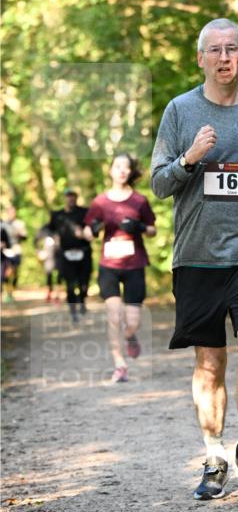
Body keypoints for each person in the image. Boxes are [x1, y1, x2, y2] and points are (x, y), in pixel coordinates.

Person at [150, 18, 238, 501]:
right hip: (196, 258)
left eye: (233, 49)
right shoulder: (179, 111)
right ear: (201, 59)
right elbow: (159, 183)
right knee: (210, 364)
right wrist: (189, 158)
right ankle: (214, 456)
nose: (225, 57)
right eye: (215, 50)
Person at [83, 153, 156, 383]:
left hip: (135, 265)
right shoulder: (100, 202)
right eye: (117, 166)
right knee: (114, 316)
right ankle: (120, 364)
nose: (122, 170)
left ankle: (131, 336)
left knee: (132, 321)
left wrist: (140, 227)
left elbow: (153, 230)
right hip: (109, 267)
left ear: (131, 172)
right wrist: (93, 229)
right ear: (111, 171)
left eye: (126, 167)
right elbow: (86, 232)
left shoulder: (139, 201)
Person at [47, 188, 92, 321]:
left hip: (83, 252)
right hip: (65, 254)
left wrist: (85, 233)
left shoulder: (85, 212)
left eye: (73, 196)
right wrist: (53, 238)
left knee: (84, 283)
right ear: (65, 198)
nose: (70, 198)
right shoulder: (57, 215)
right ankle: (73, 311)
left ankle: (82, 300)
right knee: (70, 284)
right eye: (68, 196)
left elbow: (93, 228)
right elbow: (48, 230)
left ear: (76, 198)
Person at [0, 205, 28, 302]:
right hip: (6, 250)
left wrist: (19, 235)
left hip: (16, 249)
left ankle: (12, 290)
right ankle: (7, 292)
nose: (12, 214)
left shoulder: (19, 224)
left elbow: (25, 237)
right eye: (10, 212)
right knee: (6, 272)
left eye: (13, 212)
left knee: (15, 271)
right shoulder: (3, 224)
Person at [35, 225, 61, 303]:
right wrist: (39, 252)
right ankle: (49, 293)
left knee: (59, 276)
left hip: (59, 256)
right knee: (48, 275)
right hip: (48, 257)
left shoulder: (60, 228)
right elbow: (36, 241)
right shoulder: (44, 230)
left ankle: (57, 295)